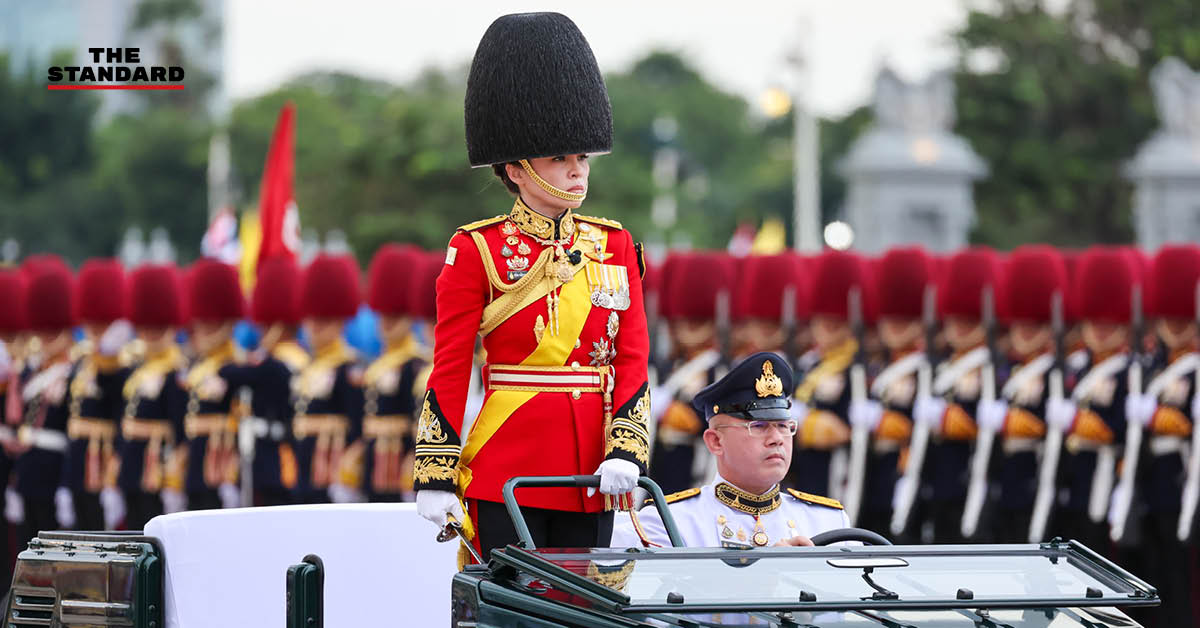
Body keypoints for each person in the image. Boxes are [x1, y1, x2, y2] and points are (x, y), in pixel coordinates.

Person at [415, 12, 650, 563]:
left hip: (593, 472)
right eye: (558, 158)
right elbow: (450, 366)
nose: (577, 171)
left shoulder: (615, 246)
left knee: (584, 611)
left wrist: (627, 452)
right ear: (517, 170)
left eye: (581, 157)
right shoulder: (477, 249)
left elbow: (634, 356)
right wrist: (435, 470)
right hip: (506, 464)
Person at [613, 352, 848, 548]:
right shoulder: (668, 522)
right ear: (715, 441)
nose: (777, 438)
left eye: (784, 426)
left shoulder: (828, 521)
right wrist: (769, 572)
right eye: (759, 426)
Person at [118, 264, 189, 530]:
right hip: (133, 464)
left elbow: (181, 429)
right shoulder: (137, 368)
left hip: (157, 466)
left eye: (156, 327)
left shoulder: (175, 372)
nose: (149, 334)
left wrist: (174, 476)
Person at [291, 254, 365, 504]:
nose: (313, 327)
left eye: (323, 321)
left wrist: (349, 470)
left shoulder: (349, 367)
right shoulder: (308, 365)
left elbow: (357, 424)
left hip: (331, 468)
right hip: (303, 467)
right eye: (311, 320)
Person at [65, 258, 132, 531]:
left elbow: (120, 411)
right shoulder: (81, 359)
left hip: (104, 458)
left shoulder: (122, 362)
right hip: (79, 457)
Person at [361, 245, 430, 502]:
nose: (386, 323)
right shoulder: (381, 363)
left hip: (399, 457)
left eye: (394, 315)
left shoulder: (414, 365)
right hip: (374, 461)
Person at [15, 265, 76, 549]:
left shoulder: (72, 370)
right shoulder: (32, 370)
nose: (46, 338)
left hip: (54, 469)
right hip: (28, 466)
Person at [180, 259, 246, 511]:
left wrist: (232, 470)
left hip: (222, 463)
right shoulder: (200, 366)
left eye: (211, 324)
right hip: (196, 461)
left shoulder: (235, 364)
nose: (204, 329)